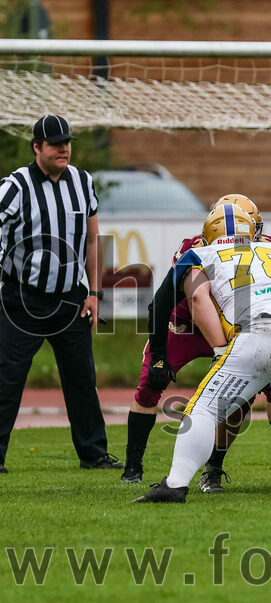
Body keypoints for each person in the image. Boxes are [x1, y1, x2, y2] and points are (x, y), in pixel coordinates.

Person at [134, 203, 271, 502]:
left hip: (261, 332)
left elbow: (198, 299)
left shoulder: (198, 255)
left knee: (202, 409)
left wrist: (219, 347)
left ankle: (174, 485)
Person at [121, 194, 271, 484]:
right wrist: (160, 354)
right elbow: (169, 301)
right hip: (187, 324)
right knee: (150, 384)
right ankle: (132, 467)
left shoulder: (269, 246)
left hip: (234, 325)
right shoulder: (194, 249)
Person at [0, 114, 122, 473]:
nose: (63, 148)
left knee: (82, 378)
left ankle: (94, 453)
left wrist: (95, 292)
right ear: (36, 147)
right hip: (23, 298)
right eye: (55, 143)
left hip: (70, 298)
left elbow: (92, 239)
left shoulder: (82, 182)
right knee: (7, 378)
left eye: (66, 142)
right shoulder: (15, 186)